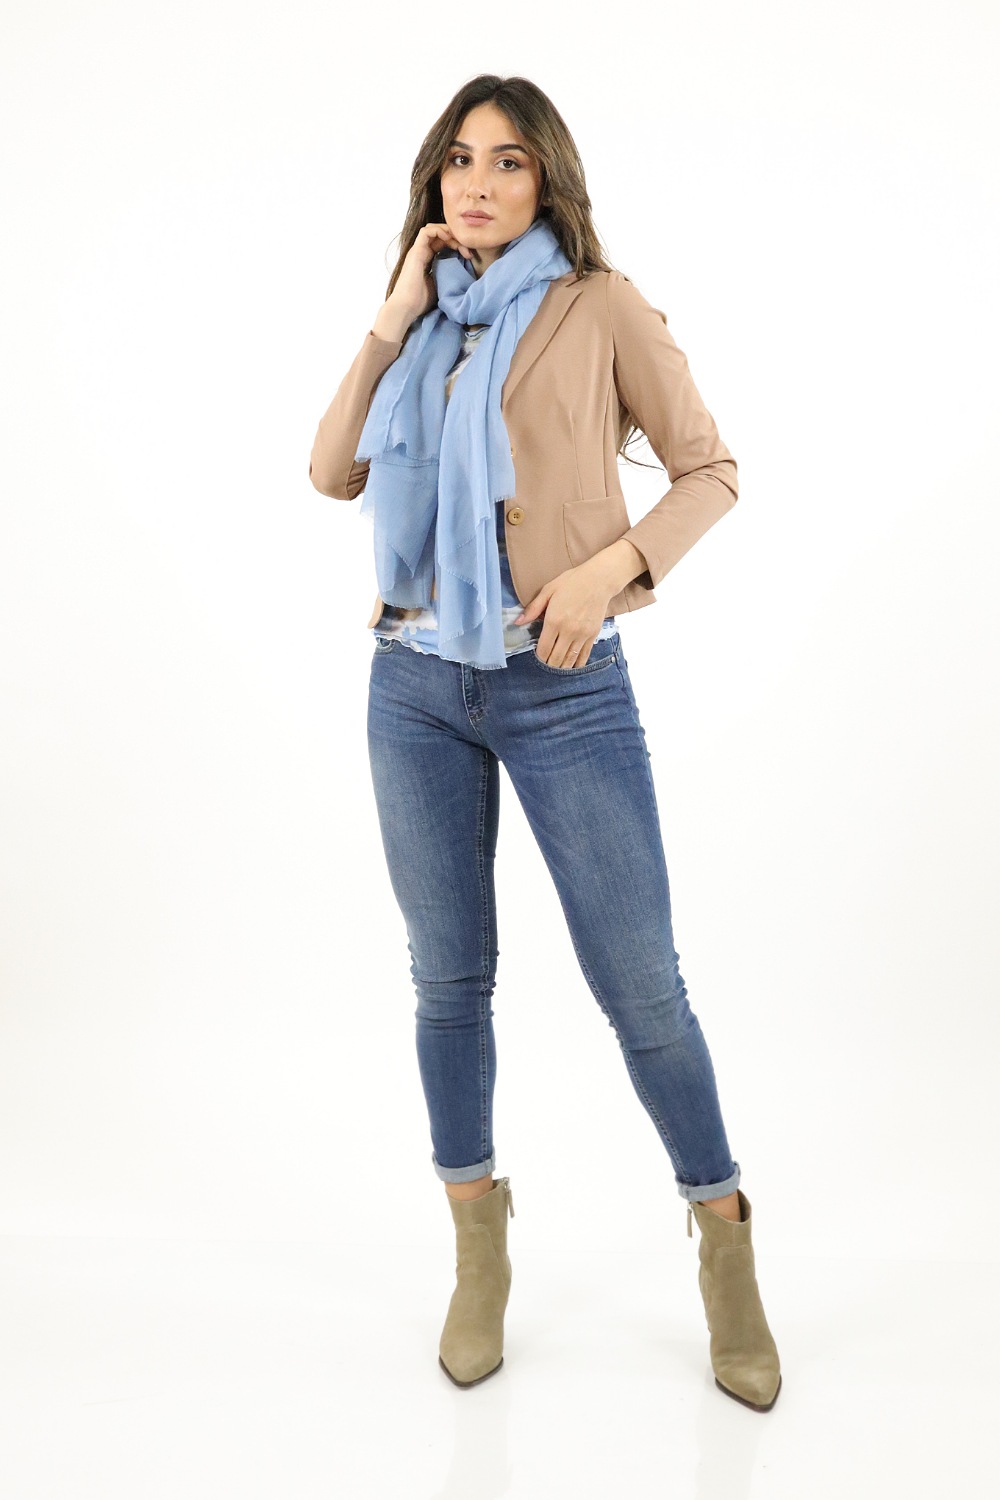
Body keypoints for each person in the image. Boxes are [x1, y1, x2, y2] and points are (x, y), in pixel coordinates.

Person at [308, 74, 781, 1413]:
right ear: (433, 182)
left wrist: (610, 573)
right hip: (412, 681)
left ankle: (725, 1240)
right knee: (447, 980)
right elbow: (332, 471)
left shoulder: (600, 306)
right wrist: (388, 320)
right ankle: (479, 1244)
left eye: (508, 161)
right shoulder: (421, 319)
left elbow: (711, 470)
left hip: (563, 686)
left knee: (643, 988)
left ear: (546, 179)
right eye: (459, 159)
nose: (479, 181)